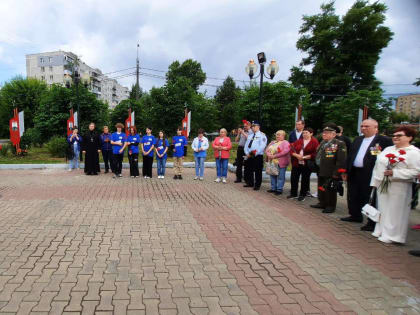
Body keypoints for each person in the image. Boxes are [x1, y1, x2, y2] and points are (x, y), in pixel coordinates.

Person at [370, 126, 420, 244]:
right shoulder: (388, 149)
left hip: (399, 185)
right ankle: (381, 230)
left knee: (396, 211)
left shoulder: (414, 153)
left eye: (399, 135)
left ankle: (393, 235)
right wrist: (375, 182)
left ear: (409, 137)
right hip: (383, 184)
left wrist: (395, 173)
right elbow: (377, 166)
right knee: (383, 208)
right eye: (394, 135)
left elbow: (416, 171)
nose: (395, 137)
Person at [341, 119, 393, 231]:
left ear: (376, 128)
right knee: (353, 194)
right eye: (362, 126)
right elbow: (350, 155)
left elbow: (389, 157)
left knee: (368, 196)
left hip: (370, 173)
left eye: (366, 126)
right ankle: (355, 215)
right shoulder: (358, 139)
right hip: (354, 172)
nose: (363, 128)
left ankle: (371, 222)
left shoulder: (383, 141)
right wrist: (345, 170)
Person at [310, 123, 347, 213]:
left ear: (333, 134)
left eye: (326, 133)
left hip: (331, 170)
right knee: (321, 187)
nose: (324, 134)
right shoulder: (323, 143)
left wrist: (336, 173)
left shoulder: (339, 143)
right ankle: (322, 202)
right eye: (323, 132)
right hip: (321, 169)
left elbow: (341, 160)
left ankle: (330, 205)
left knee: (330, 189)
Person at [288, 127, 319, 201]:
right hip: (296, 162)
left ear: (311, 134)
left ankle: (302, 194)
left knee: (305, 179)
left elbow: (316, 153)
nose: (304, 134)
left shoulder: (314, 142)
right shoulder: (299, 141)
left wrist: (306, 157)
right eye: (303, 133)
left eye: (306, 133)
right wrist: (296, 155)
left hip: (307, 164)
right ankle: (293, 193)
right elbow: (291, 149)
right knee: (294, 178)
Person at [265, 130, 290, 195]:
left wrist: (275, 156)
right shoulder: (273, 142)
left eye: (279, 134)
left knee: (281, 176)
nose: (277, 136)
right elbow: (267, 150)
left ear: (283, 136)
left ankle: (279, 189)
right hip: (272, 162)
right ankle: (273, 188)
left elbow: (285, 151)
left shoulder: (286, 143)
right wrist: (269, 155)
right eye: (277, 134)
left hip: (281, 162)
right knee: (272, 175)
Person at [244, 121, 267, 190]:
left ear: (258, 127)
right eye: (252, 127)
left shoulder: (262, 136)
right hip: (249, 155)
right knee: (249, 169)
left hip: (257, 156)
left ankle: (257, 185)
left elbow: (261, 147)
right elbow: (246, 146)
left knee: (258, 171)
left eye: (254, 126)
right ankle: (250, 183)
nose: (252, 128)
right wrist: (247, 153)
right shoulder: (250, 136)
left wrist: (252, 154)